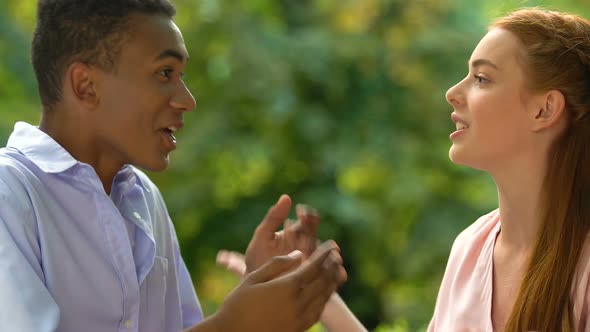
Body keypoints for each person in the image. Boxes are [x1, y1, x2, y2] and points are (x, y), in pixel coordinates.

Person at [217, 7, 590, 332]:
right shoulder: (471, 248)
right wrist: (314, 291)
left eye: (482, 78)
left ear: (544, 109)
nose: (453, 92)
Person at [0, 1, 347, 332]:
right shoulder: (10, 193)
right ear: (86, 86)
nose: (187, 100)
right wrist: (234, 325)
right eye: (164, 73)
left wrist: (262, 298)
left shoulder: (144, 199)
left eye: (181, 75)